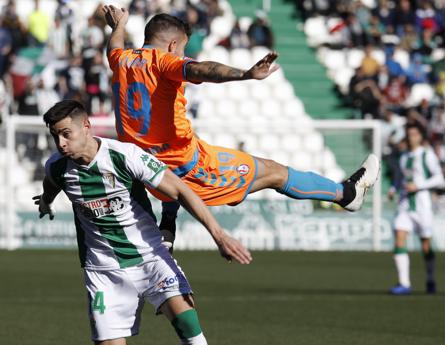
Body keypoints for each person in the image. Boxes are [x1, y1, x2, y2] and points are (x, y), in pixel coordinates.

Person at [103, 6, 380, 250]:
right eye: (183, 49)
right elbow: (203, 69)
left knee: (178, 143)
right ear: (174, 45)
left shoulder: (122, 60)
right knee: (273, 172)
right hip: (194, 170)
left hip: (149, 172)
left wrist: (119, 26)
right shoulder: (166, 62)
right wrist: (244, 74)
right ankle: (346, 195)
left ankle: (167, 227)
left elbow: (113, 46)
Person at [34, 100, 251, 345]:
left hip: (150, 257)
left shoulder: (125, 155)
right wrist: (45, 202)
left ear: (86, 126)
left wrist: (220, 236)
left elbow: (180, 190)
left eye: (66, 134)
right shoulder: (57, 167)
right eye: (55, 137)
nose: (60, 143)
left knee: (188, 325)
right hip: (103, 271)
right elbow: (50, 186)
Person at [388, 124, 444, 295]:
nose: (411, 137)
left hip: (422, 206)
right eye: (409, 134)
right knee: (399, 236)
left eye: (414, 134)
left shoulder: (427, 155)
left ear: (420, 137)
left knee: (425, 244)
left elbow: (439, 177)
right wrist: (393, 188)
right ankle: (404, 283)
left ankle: (430, 278)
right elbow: (399, 177)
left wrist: (419, 185)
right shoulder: (404, 156)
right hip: (405, 204)